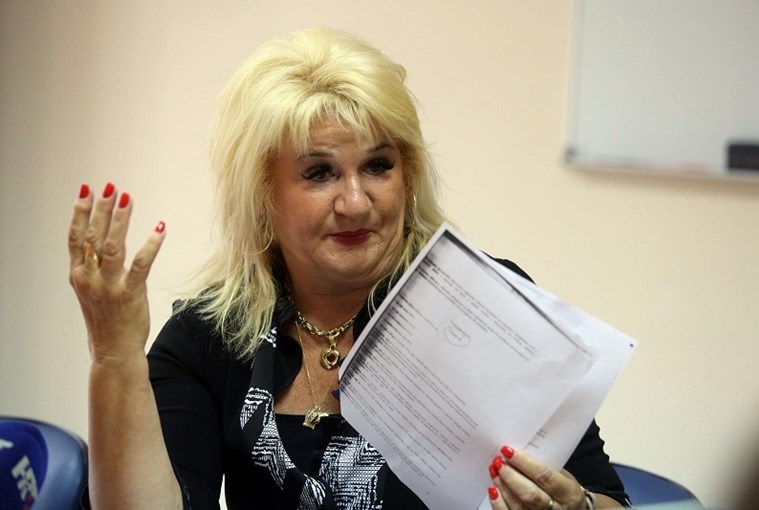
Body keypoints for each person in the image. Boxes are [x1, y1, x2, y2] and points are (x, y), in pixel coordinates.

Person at [68, 28, 628, 510]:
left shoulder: (485, 303)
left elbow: (605, 497)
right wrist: (115, 356)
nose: (356, 203)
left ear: (409, 175)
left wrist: (575, 505)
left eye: (378, 166)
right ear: (263, 196)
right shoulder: (210, 335)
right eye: (320, 173)